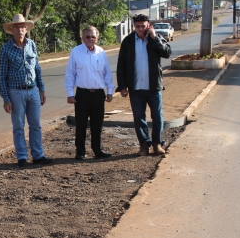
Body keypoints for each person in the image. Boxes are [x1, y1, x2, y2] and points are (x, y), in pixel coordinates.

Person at [0, 14, 52, 167]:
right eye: (16, 27)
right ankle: (21, 157)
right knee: (18, 126)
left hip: (33, 90)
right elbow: (1, 76)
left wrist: (41, 89)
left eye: (22, 27)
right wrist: (6, 99)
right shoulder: (5, 49)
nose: (19, 29)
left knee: (36, 125)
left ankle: (38, 155)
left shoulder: (31, 45)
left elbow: (37, 68)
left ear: (26, 29)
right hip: (16, 92)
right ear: (12, 29)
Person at [116, 14, 172, 156]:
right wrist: (122, 86)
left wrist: (154, 38)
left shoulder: (155, 38)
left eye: (143, 26)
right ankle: (144, 145)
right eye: (137, 26)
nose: (140, 29)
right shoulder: (128, 41)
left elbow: (167, 53)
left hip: (153, 87)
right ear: (134, 26)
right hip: (136, 87)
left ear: (148, 25)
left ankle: (157, 144)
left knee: (157, 116)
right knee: (139, 117)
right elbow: (121, 64)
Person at [64, 26, 114, 160]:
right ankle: (80, 151)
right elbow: (70, 73)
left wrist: (110, 91)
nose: (90, 39)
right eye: (87, 37)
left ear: (97, 38)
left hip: (98, 93)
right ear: (83, 38)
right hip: (82, 94)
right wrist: (70, 93)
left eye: (93, 37)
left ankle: (98, 150)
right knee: (81, 123)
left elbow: (107, 73)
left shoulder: (101, 52)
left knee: (97, 124)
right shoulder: (76, 52)